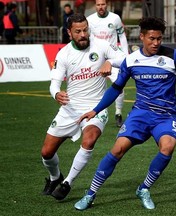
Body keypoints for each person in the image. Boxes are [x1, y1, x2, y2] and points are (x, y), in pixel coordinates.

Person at [74, 16, 176, 211]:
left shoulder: (173, 56)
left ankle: (144, 189)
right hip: (140, 114)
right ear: (142, 37)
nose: (156, 43)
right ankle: (90, 193)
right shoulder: (131, 60)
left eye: (159, 38)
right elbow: (116, 88)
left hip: (166, 116)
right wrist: (95, 110)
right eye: (151, 39)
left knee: (167, 147)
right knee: (117, 150)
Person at [41, 13, 126, 201]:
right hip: (70, 109)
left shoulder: (101, 46)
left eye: (85, 30)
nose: (83, 34)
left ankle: (67, 183)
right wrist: (56, 93)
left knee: (89, 140)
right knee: (46, 153)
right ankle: (56, 178)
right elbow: (54, 83)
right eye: (78, 31)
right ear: (69, 33)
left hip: (97, 107)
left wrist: (110, 62)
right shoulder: (63, 54)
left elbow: (125, 58)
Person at [87, 0, 129, 127]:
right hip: (96, 58)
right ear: (95, 6)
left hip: (113, 57)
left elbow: (122, 36)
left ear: (107, 5)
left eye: (103, 4)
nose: (101, 7)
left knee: (119, 85)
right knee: (93, 87)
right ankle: (93, 113)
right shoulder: (90, 20)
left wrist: (126, 54)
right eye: (98, 5)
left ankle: (118, 113)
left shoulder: (115, 18)